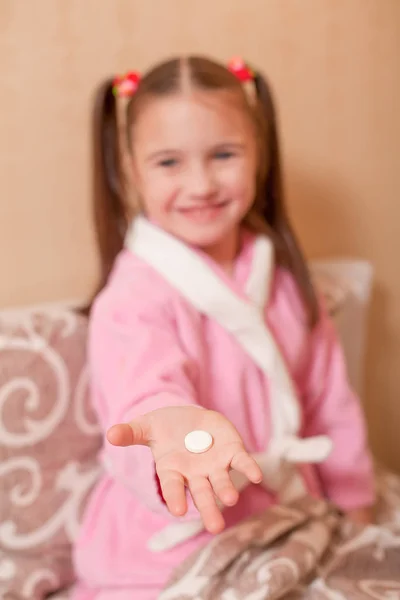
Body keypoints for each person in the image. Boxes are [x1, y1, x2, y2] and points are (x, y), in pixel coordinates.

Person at [72, 55, 375, 600]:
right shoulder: (133, 298)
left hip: (284, 512)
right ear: (131, 168)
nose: (201, 183)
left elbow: (331, 402)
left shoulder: (283, 280)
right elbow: (145, 394)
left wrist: (354, 505)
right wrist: (173, 428)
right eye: (169, 162)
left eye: (224, 154)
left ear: (259, 155)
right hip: (167, 542)